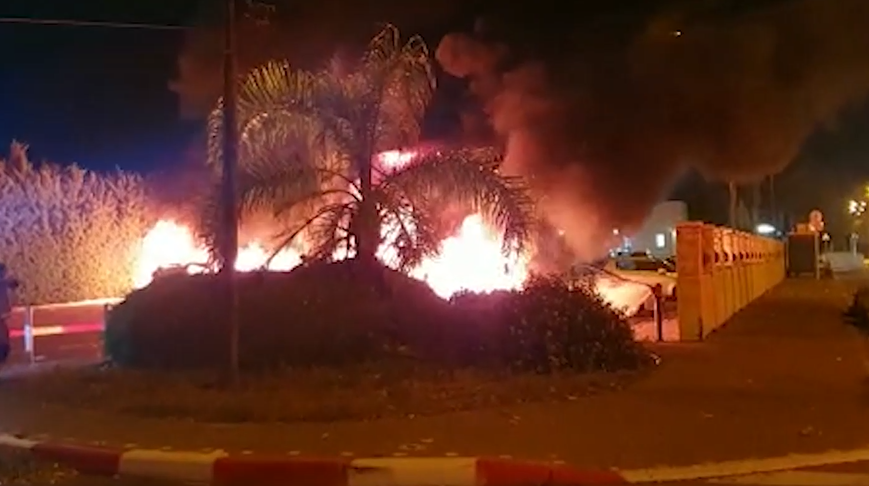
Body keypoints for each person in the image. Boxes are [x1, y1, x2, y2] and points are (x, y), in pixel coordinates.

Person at [0, 264, 20, 365]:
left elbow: (14, 283)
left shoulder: (4, 281)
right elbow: (14, 283)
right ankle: (4, 349)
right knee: (3, 330)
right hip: (2, 310)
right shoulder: (4, 281)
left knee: (4, 329)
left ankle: (4, 349)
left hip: (2, 311)